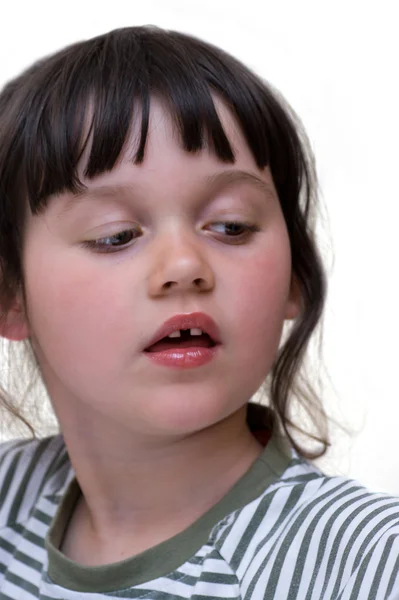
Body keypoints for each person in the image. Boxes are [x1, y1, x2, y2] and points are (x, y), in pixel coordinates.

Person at [0, 26, 397, 600]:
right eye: (116, 236)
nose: (184, 265)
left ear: (295, 278)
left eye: (231, 226)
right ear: (12, 297)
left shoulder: (367, 564)